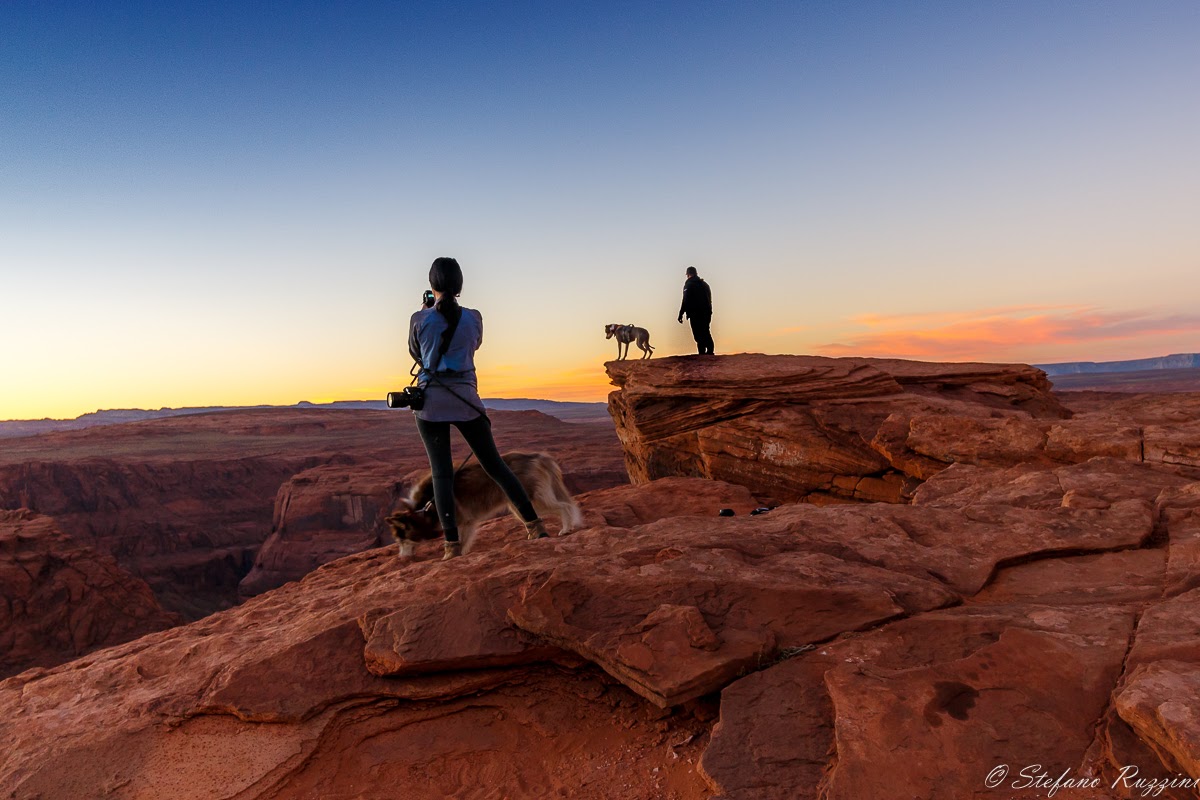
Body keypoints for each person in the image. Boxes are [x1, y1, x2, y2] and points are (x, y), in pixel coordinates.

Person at [407, 257, 549, 559]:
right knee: (495, 466)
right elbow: (476, 345)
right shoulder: (474, 317)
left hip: (431, 401)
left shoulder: (419, 319)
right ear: (459, 286)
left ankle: (452, 547)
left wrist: (425, 313)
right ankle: (535, 526)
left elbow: (415, 352)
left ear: (432, 286)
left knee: (442, 475)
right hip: (466, 401)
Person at [677, 265, 714, 355]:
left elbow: (685, 299)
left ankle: (702, 352)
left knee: (698, 333)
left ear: (688, 274)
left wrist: (681, 313)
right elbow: (710, 299)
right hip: (706, 313)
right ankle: (710, 352)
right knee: (706, 331)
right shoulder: (705, 284)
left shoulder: (689, 284)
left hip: (695, 314)